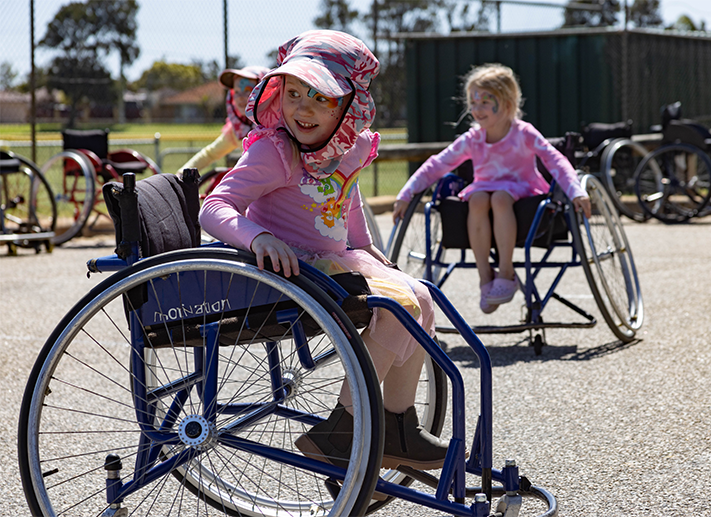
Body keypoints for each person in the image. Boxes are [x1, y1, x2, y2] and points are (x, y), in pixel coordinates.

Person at [200, 30, 448, 470]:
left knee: (422, 297)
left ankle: (398, 421)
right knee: (398, 306)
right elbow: (214, 206)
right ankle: (344, 426)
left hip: (332, 263)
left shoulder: (344, 149)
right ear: (278, 95)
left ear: (348, 107)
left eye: (321, 98)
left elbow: (346, 198)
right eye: (293, 93)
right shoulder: (274, 153)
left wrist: (371, 251)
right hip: (288, 269)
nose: (303, 109)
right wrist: (258, 237)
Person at [393, 63, 592, 314]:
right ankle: (485, 276)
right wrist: (406, 193)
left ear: (507, 103)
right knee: (476, 199)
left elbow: (555, 160)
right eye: (473, 103)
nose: (476, 110)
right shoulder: (473, 139)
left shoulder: (523, 133)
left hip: (523, 192)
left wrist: (576, 191)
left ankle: (506, 273)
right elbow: (437, 165)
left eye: (485, 102)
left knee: (499, 198)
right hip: (484, 190)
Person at [176, 65, 269, 175]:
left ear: (266, 91)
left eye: (248, 91)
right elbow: (210, 154)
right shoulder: (238, 129)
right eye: (237, 91)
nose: (240, 97)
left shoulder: (276, 126)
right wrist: (180, 174)